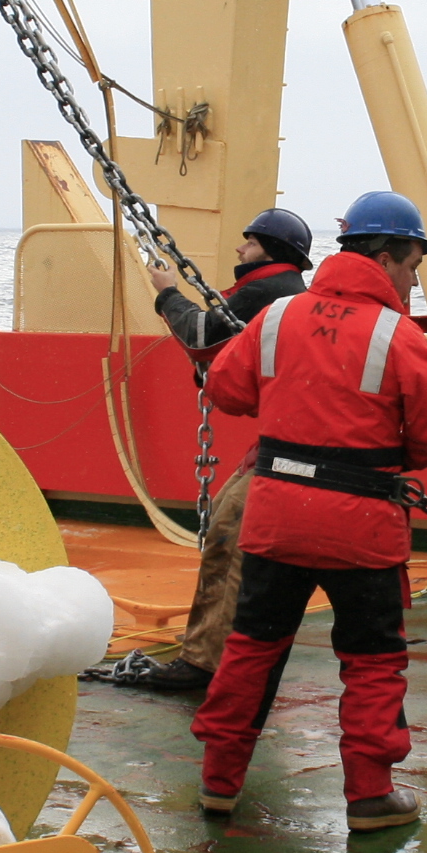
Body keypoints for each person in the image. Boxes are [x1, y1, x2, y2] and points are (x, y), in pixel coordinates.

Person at [190, 190, 427, 833]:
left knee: (252, 649)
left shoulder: (278, 315)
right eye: (413, 266)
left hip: (276, 515)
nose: (413, 280)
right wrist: (376, 452)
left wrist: (292, 412)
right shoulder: (398, 334)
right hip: (362, 524)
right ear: (388, 257)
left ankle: (219, 784)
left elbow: (225, 387)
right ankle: (370, 797)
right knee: (372, 661)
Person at [86, 209, 320, 695]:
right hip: (287, 446)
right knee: (229, 539)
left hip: (284, 453)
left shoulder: (265, 292)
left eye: (249, 242)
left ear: (271, 251)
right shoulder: (289, 294)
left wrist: (167, 292)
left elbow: (200, 336)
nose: (240, 249)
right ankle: (219, 658)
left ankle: (209, 665)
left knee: (230, 542)